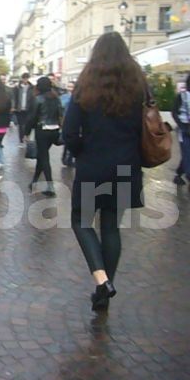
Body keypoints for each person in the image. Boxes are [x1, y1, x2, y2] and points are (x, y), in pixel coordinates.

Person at [63, 32, 146, 312]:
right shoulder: (139, 86)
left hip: (92, 166)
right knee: (111, 226)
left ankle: (101, 281)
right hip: (126, 166)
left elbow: (69, 132)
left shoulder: (85, 86)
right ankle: (103, 290)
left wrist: (80, 152)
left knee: (81, 221)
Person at [24, 76, 62, 196]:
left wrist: (26, 132)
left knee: (44, 157)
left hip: (42, 130)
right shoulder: (56, 98)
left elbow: (31, 118)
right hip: (54, 129)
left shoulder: (38, 99)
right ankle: (34, 181)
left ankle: (50, 187)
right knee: (41, 156)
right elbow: (60, 114)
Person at [171, 73, 190, 190]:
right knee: (187, 153)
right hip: (184, 130)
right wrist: (182, 126)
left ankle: (178, 174)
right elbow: (174, 112)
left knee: (187, 155)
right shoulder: (182, 96)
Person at [12, 73, 34, 145]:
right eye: (24, 78)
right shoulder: (17, 88)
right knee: (21, 126)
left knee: (27, 124)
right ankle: (21, 140)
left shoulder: (32, 87)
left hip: (28, 109)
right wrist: (14, 107)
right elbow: (14, 98)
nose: (25, 80)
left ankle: (26, 137)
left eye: (26, 78)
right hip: (19, 109)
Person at [60, 81, 76, 167]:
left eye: (72, 87)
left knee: (71, 139)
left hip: (72, 120)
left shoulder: (77, 97)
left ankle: (69, 158)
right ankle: (65, 158)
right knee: (67, 139)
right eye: (69, 86)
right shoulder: (64, 97)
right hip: (65, 120)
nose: (70, 88)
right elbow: (61, 108)